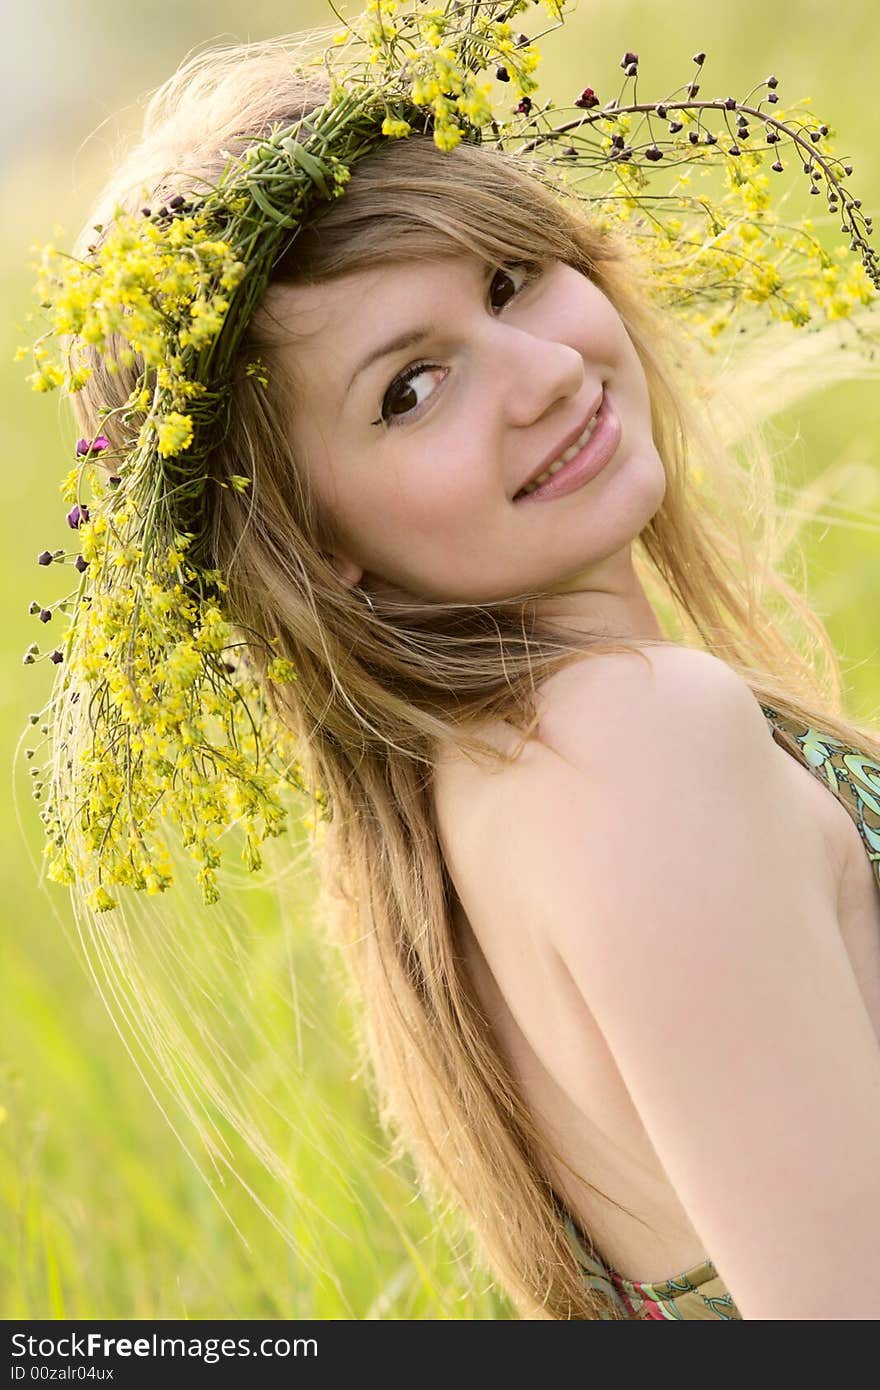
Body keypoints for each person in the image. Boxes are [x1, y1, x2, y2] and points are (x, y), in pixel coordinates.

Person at [18, 2, 880, 1320]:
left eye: (507, 277)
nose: (540, 372)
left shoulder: (492, 797)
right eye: (410, 388)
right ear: (320, 545)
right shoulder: (636, 749)